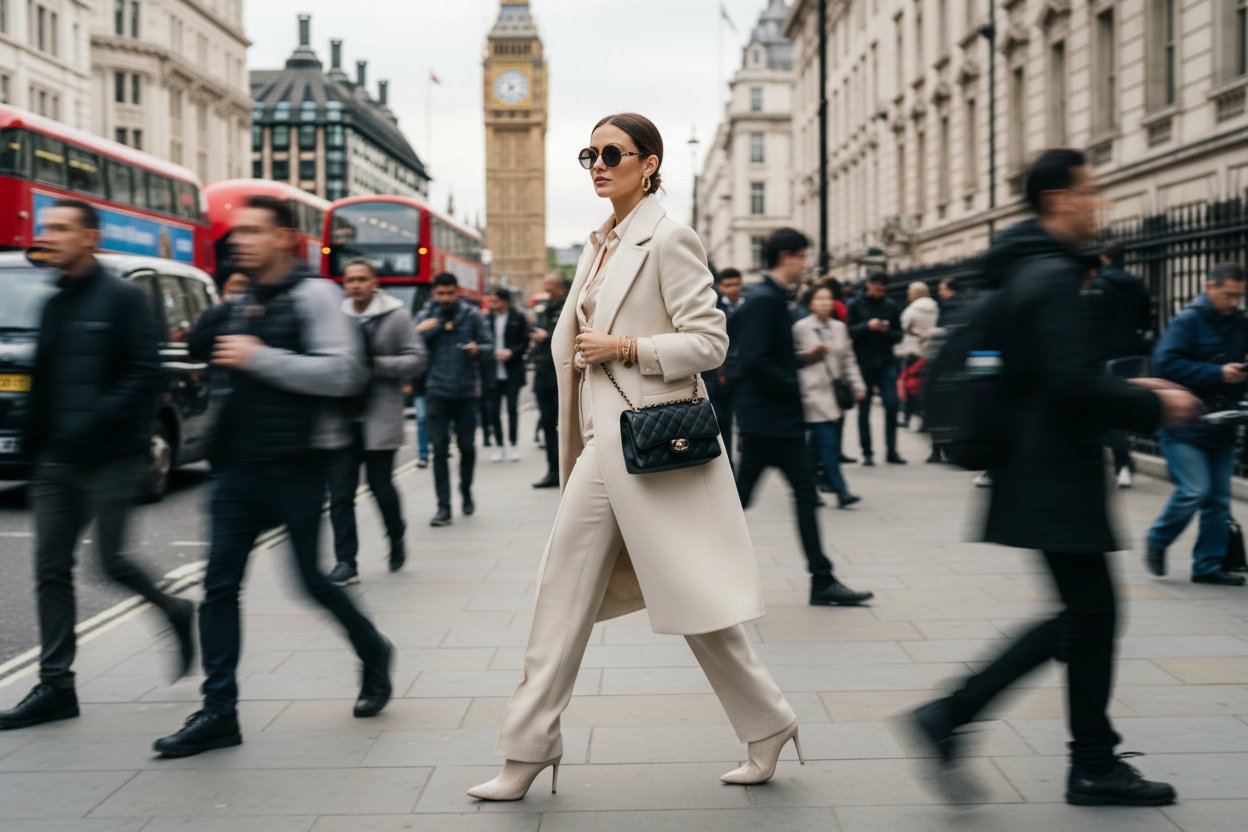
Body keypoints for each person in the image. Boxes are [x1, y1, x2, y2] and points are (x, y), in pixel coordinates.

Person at [469, 113, 805, 802]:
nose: (598, 164)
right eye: (589, 153)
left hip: (645, 438)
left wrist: (626, 347)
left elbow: (710, 343)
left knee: (672, 595)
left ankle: (766, 722)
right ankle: (531, 746)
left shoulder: (669, 238)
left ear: (648, 164)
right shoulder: (599, 244)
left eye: (612, 153)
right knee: (578, 590)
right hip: (603, 442)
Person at [906, 149, 1200, 807]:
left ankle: (1061, 749)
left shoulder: (1022, 268)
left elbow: (1046, 374)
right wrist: (1155, 406)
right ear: (1059, 199)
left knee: (1087, 615)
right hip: (1054, 470)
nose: (1100, 203)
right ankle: (1053, 750)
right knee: (1090, 615)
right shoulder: (1051, 274)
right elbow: (1068, 385)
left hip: (1033, 464)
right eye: (1091, 191)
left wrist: (1134, 388)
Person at [153, 195, 394, 758]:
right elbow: (197, 347)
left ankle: (373, 650)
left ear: (285, 238)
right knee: (218, 588)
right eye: (238, 232)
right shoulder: (240, 300)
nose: (240, 240)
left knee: (310, 581)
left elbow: (346, 373)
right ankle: (219, 711)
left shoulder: (317, 296)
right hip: (237, 467)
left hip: (297, 465)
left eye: (254, 231)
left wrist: (259, 357)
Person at [0, 200, 195, 733]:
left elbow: (143, 373)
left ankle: (176, 611)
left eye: (62, 228)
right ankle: (56, 686)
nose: (49, 236)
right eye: (47, 227)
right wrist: (35, 445)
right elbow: (43, 380)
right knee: (49, 569)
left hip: (110, 457)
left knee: (110, 563)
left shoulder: (123, 298)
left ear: (90, 237)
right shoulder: (54, 301)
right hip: (55, 461)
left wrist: (94, 421)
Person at [733, 227, 874, 607]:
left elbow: (766, 357)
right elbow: (754, 361)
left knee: (795, 496)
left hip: (771, 421)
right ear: (787, 257)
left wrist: (799, 360)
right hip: (770, 422)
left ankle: (822, 579)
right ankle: (821, 580)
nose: (806, 264)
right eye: (803, 256)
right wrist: (794, 387)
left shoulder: (770, 297)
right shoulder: (765, 299)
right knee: (751, 500)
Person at [1144, 262, 1248, 587]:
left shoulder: (1241, 322)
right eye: (1228, 295)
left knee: (1218, 500)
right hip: (1184, 423)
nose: (1234, 302)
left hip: (1223, 422)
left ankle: (1207, 565)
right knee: (1195, 490)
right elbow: (1164, 365)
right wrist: (1218, 373)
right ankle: (1158, 538)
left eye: (1239, 296)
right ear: (1210, 287)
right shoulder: (1187, 321)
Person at [325, 258, 428, 586]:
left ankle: (396, 537)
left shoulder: (396, 316)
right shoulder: (335, 316)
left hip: (378, 415)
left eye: (362, 279)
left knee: (380, 487)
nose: (355, 285)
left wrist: (376, 365)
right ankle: (346, 562)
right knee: (340, 494)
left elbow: (418, 359)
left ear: (374, 283)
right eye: (350, 280)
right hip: (342, 417)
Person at [416, 272, 493, 526]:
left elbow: (489, 346)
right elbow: (410, 348)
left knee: (467, 448)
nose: (446, 298)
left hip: (465, 392)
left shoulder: (472, 315)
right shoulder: (425, 317)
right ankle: (443, 507)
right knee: (439, 451)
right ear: (434, 293)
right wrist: (420, 332)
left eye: (450, 293)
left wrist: (477, 349)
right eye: (441, 293)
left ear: (457, 292)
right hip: (436, 392)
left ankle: (466, 489)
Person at [793, 282, 866, 508]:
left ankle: (808, 487)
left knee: (815, 447)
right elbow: (791, 358)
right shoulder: (800, 328)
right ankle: (841, 490)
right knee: (829, 444)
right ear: (810, 303)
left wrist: (858, 385)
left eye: (828, 298)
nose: (824, 303)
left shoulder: (840, 327)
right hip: (811, 393)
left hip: (835, 394)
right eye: (819, 299)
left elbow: (848, 360)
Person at [1090, 240, 1155, 488]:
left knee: (1111, 410)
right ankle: (1124, 461)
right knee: (1122, 405)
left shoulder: (1098, 285)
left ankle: (1123, 464)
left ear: (1105, 259)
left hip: (1106, 355)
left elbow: (1094, 322)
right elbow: (1147, 319)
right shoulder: (1137, 284)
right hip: (1131, 354)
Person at [846, 271, 904, 465]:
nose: (878, 291)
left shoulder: (891, 305)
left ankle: (891, 451)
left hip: (885, 362)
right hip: (863, 362)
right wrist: (867, 326)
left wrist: (887, 331)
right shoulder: (855, 304)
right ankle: (867, 452)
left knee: (891, 404)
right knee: (864, 409)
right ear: (868, 285)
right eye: (875, 287)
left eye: (882, 288)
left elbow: (898, 335)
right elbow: (848, 331)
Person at [484, 287, 531, 462]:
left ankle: (513, 446)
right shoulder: (487, 319)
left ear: (504, 301)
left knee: (512, 409)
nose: (491, 304)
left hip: (512, 371)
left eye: (494, 300)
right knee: (494, 411)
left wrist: (511, 352)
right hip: (493, 372)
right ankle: (499, 446)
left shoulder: (518, 317)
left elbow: (525, 341)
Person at [702, 267, 744, 462]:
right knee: (724, 423)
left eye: (737, 284)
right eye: (728, 285)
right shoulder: (715, 308)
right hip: (720, 377)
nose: (734, 289)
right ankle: (730, 467)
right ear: (720, 286)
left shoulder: (747, 305)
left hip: (742, 375)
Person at [530, 274, 568, 488]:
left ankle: (568, 471)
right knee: (547, 424)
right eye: (545, 285)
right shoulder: (544, 307)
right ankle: (553, 471)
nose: (547, 289)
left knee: (564, 425)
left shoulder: (568, 306)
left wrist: (547, 336)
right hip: (542, 372)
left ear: (561, 287)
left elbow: (570, 334)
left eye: (551, 285)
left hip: (560, 374)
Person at [896, 281, 940, 429]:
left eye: (910, 292)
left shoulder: (912, 309)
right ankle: (925, 418)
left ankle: (906, 416)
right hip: (930, 351)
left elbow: (902, 326)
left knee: (907, 386)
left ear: (917, 293)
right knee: (925, 387)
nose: (908, 294)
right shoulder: (935, 308)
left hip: (912, 352)